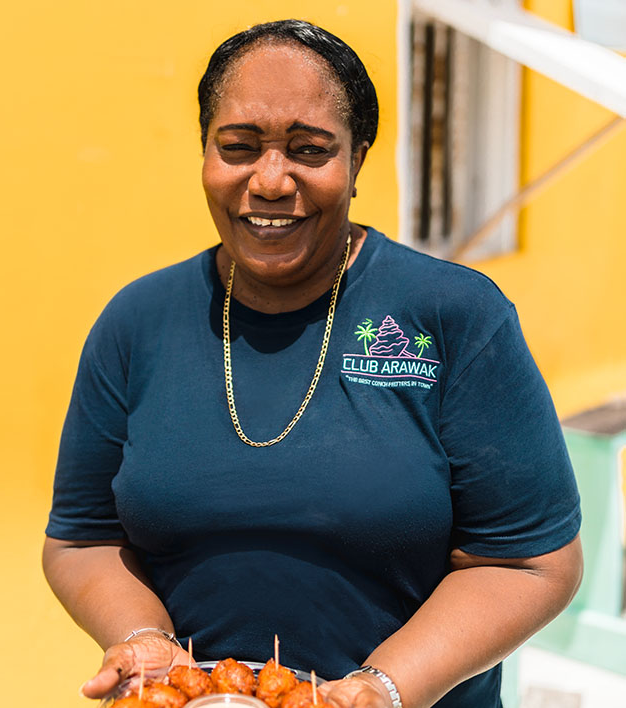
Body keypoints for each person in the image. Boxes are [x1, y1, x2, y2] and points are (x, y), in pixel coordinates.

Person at [43, 20, 582, 708]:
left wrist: (380, 690)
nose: (269, 181)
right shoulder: (137, 321)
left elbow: (528, 562)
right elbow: (82, 537)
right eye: (236, 148)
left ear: (356, 161)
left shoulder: (452, 315)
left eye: (309, 150)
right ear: (204, 154)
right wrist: (144, 640)